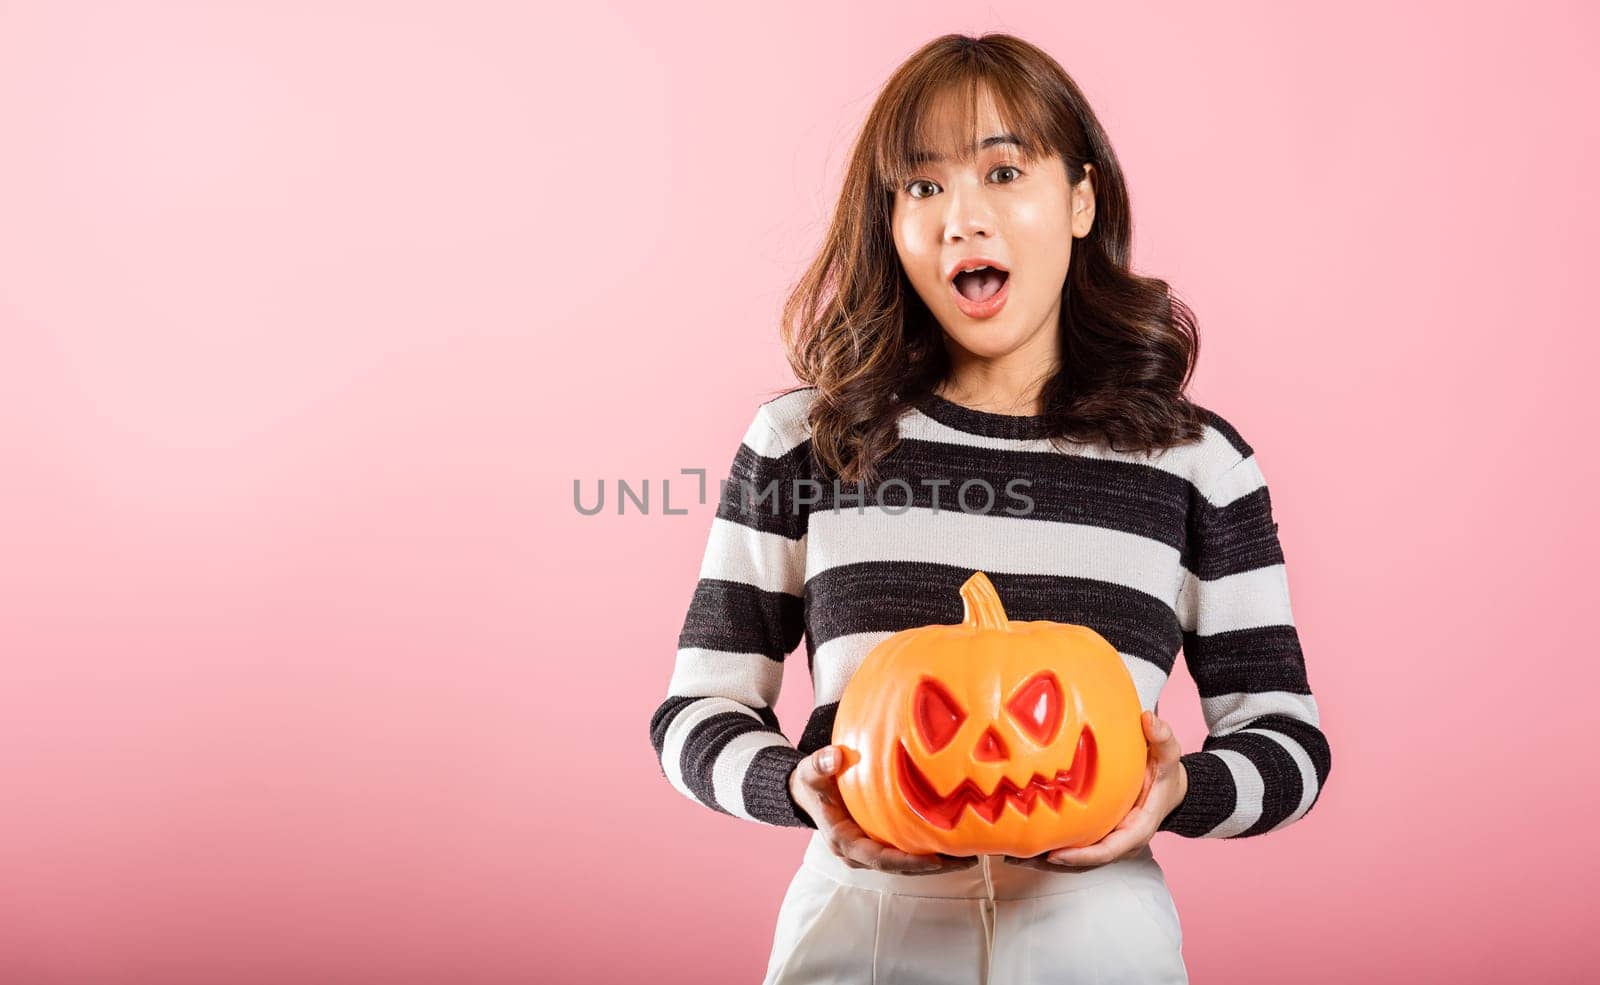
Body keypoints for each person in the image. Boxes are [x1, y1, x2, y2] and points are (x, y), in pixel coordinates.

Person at [648, 32, 1331, 985]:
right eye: (922, 188)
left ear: (1081, 198)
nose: (962, 219)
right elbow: (695, 711)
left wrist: (1176, 787)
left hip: (1101, 938)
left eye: (1004, 171)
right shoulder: (803, 442)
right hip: (864, 929)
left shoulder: (1195, 462)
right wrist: (796, 787)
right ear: (889, 221)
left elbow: (1288, 738)